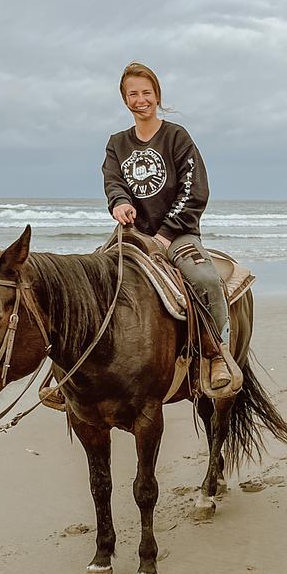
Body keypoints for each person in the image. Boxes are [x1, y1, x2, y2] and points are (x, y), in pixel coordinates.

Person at [103, 61, 241, 398]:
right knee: (86, 281)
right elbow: (113, 180)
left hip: (177, 234)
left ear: (157, 95)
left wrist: (165, 235)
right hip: (132, 235)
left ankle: (215, 354)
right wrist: (119, 202)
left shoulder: (177, 136)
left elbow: (195, 191)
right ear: (125, 100)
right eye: (133, 94)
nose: (140, 99)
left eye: (146, 92)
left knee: (206, 280)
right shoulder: (117, 143)